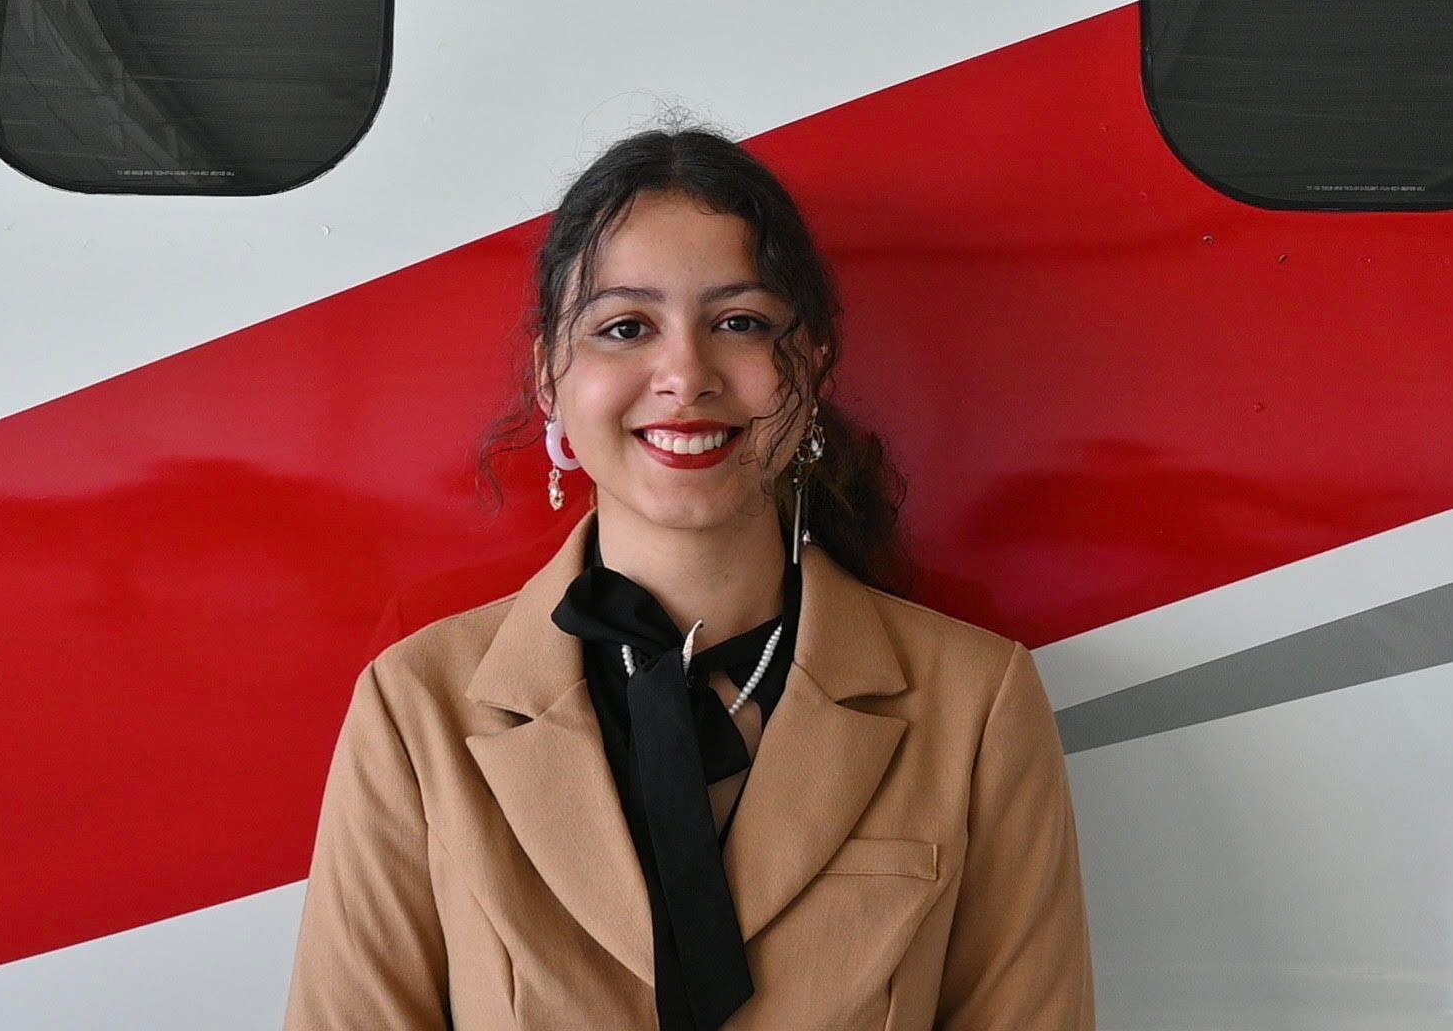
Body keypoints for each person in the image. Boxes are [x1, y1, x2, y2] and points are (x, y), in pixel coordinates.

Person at [283, 125, 1096, 1030]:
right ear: (551, 376)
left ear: (813, 363)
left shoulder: (977, 705)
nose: (684, 375)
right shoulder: (417, 711)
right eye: (625, 327)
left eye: (739, 323)